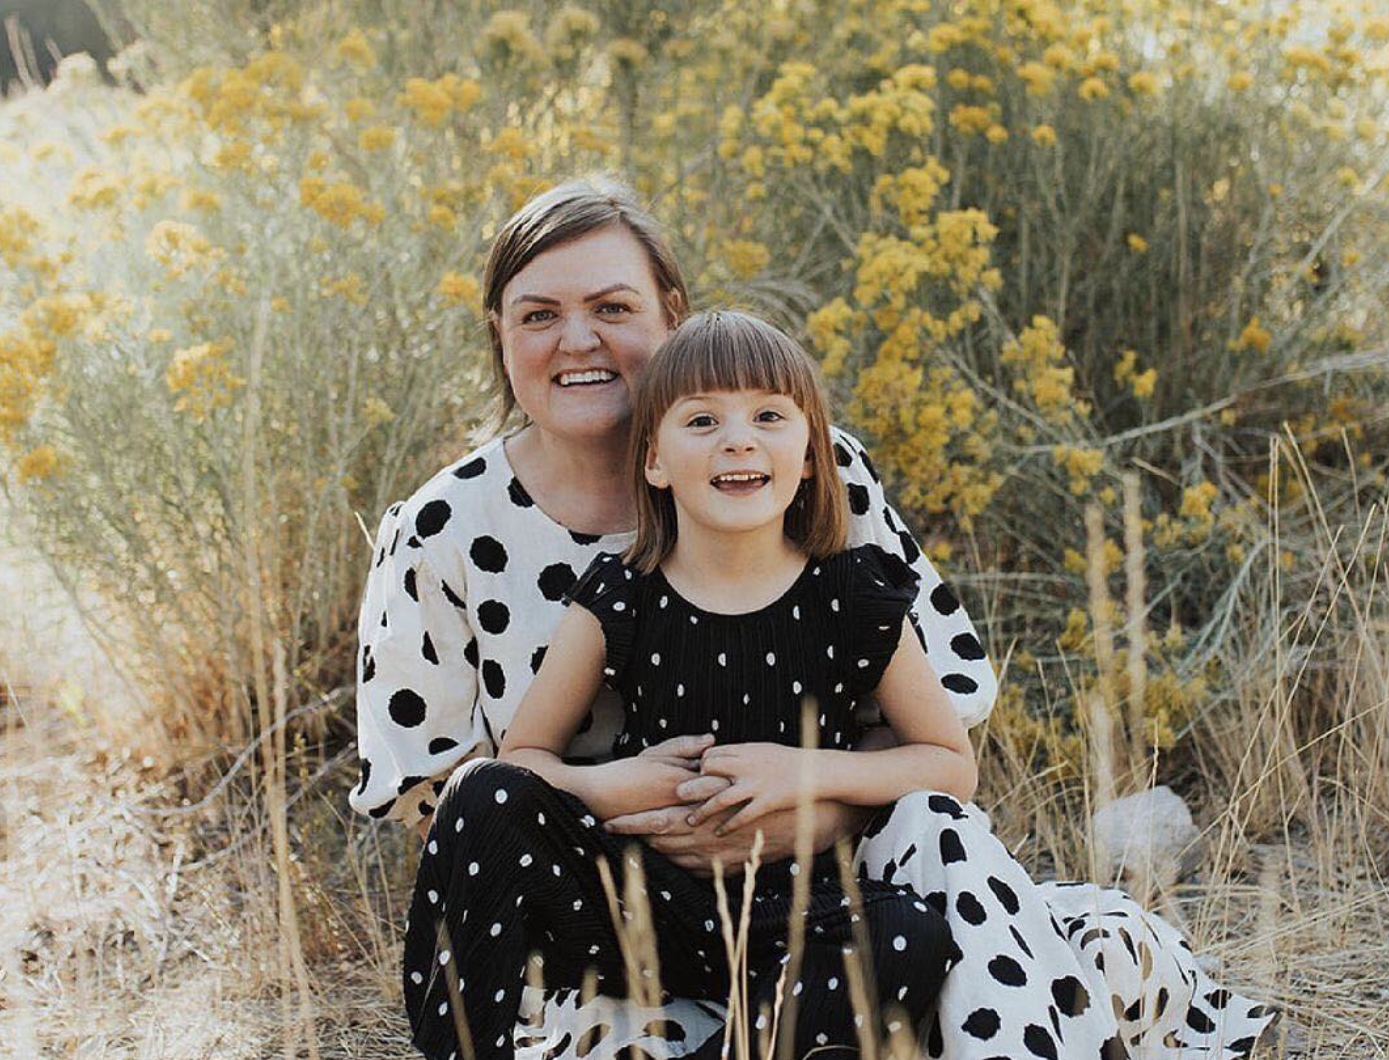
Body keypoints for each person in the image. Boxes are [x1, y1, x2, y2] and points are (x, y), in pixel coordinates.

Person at [352, 176, 1276, 1060]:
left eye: (613, 307)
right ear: (499, 334)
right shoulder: (445, 531)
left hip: (833, 892)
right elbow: (451, 803)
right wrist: (626, 796)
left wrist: (811, 808)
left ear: (671, 314)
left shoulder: (813, 475)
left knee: (1053, 941)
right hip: (610, 914)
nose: (578, 339)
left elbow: (939, 732)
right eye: (539, 316)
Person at [405, 309, 974, 1060]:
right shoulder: (620, 596)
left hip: (796, 915)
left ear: (811, 455)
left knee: (908, 933)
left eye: (769, 416)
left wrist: (804, 773)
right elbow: (524, 763)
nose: (739, 440)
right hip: (642, 906)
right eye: (703, 421)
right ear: (654, 461)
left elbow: (949, 763)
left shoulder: (853, 596)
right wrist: (613, 785)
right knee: (480, 792)